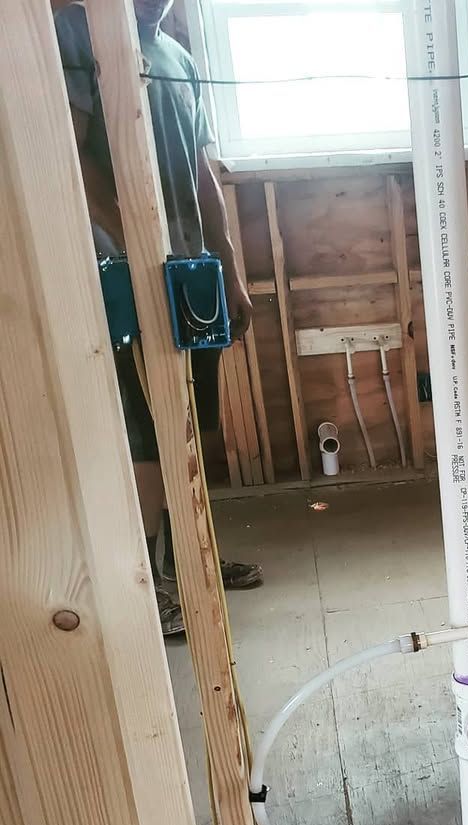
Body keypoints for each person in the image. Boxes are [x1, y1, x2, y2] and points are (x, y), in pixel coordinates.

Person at [56, 0, 263, 635]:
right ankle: (151, 586)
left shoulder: (177, 55)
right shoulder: (72, 32)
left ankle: (192, 565)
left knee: (193, 425)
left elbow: (202, 173)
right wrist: (134, 246)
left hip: (192, 270)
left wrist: (229, 267)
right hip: (116, 270)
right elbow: (73, 153)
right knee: (144, 430)